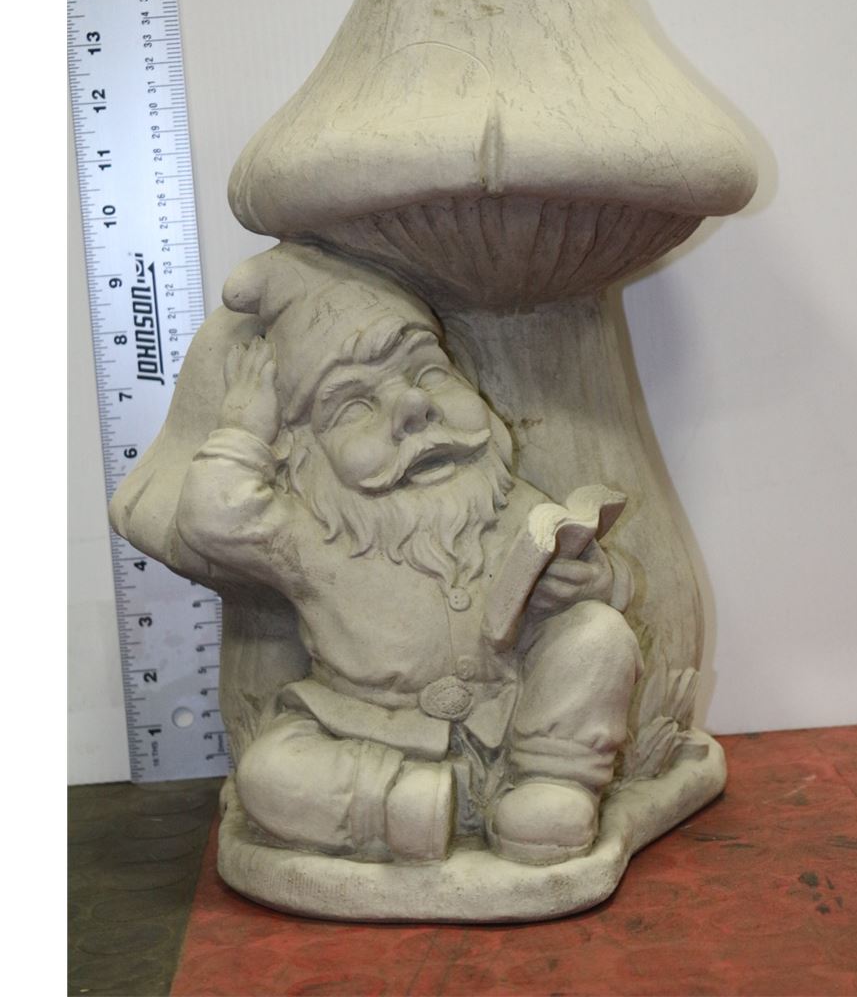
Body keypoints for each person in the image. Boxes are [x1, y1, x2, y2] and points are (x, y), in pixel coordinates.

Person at [176, 243, 642, 865]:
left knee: (598, 635)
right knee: (270, 774)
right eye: (356, 406)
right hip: (367, 731)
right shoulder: (309, 536)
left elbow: (591, 579)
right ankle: (417, 809)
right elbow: (212, 520)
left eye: (428, 374)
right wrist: (242, 431)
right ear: (306, 451)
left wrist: (593, 579)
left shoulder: (503, 500)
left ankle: (552, 788)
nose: (416, 408)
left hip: (508, 719)